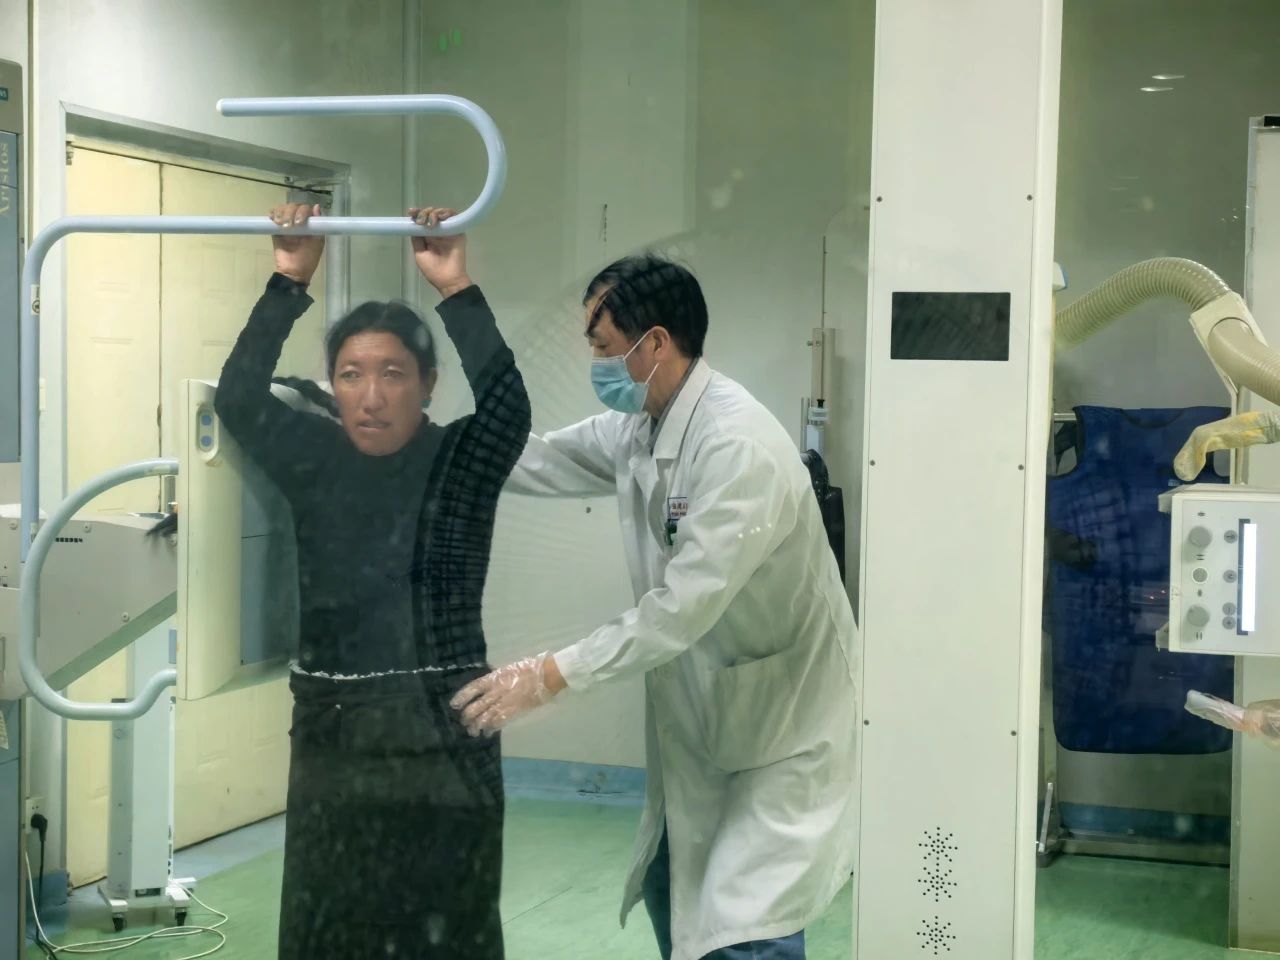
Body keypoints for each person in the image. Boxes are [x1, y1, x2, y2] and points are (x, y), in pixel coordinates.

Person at [452, 254, 859, 960]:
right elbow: (536, 458)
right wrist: (416, 440)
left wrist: (547, 675)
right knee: (677, 893)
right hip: (708, 719)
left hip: (785, 727)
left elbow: (679, 610)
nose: (595, 363)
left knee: (747, 928)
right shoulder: (642, 426)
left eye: (603, 347)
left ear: (656, 344)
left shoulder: (736, 446)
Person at [214, 202, 529, 960]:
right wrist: (289, 279)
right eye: (351, 375)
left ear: (428, 384)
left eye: (393, 374)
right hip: (336, 732)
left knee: (448, 935)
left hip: (442, 732)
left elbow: (508, 408)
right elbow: (238, 398)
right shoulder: (314, 459)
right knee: (328, 932)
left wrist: (454, 287)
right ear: (333, 382)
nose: (372, 395)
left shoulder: (459, 463)